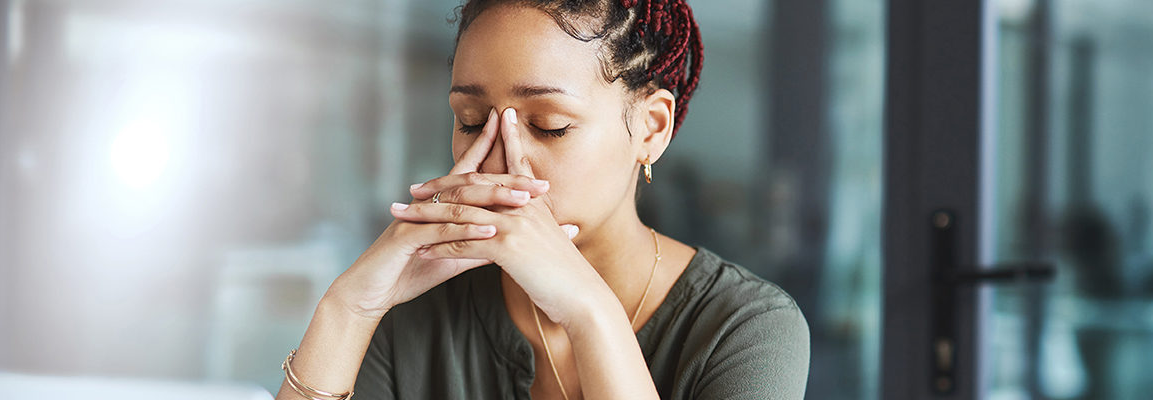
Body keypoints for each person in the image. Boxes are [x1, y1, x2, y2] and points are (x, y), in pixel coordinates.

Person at [275, 1, 809, 399]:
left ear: (651, 128)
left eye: (549, 126)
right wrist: (347, 310)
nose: (503, 158)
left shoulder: (746, 329)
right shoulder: (413, 310)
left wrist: (589, 311)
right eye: (472, 121)